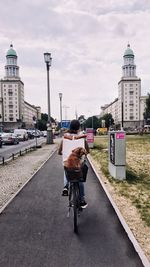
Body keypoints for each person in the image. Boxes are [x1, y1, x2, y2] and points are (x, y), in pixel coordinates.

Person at [58, 119, 89, 208]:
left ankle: (65, 187)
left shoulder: (64, 138)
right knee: (80, 178)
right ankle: (82, 199)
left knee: (66, 169)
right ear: (79, 128)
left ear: (69, 127)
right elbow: (87, 151)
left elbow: (59, 152)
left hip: (68, 163)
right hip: (79, 164)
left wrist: (64, 153)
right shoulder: (82, 139)